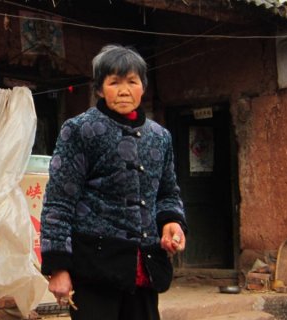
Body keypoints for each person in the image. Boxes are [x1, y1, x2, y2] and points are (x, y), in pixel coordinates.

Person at [40, 44, 188, 320]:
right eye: (114, 82)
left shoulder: (160, 137)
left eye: (132, 81)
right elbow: (59, 201)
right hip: (94, 268)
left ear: (143, 86)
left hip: (144, 267)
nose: (123, 90)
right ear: (99, 89)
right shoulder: (80, 130)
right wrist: (58, 267)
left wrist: (172, 223)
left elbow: (168, 192)